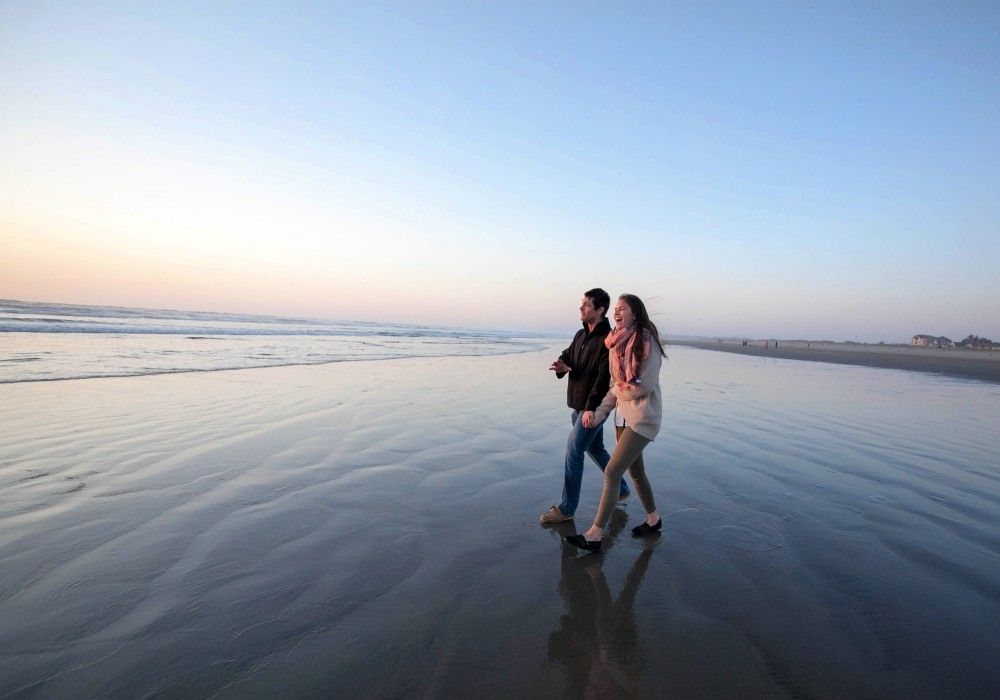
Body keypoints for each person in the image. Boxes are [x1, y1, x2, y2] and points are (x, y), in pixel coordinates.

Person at [567, 294, 666, 552]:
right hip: (622, 417)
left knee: (612, 472)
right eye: (616, 310)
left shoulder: (647, 342)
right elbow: (615, 387)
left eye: (622, 309)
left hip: (643, 419)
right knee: (636, 472)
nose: (617, 313)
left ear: (635, 312)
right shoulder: (615, 343)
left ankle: (595, 534)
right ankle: (653, 520)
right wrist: (599, 413)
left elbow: (643, 387)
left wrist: (621, 390)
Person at [541, 289, 630, 524]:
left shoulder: (607, 339)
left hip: (592, 408)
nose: (581, 308)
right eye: (582, 304)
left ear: (600, 310)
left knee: (573, 450)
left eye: (587, 305)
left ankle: (566, 509)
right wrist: (562, 364)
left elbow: (603, 378)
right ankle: (621, 488)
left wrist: (591, 409)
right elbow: (569, 355)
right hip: (578, 406)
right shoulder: (580, 335)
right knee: (595, 449)